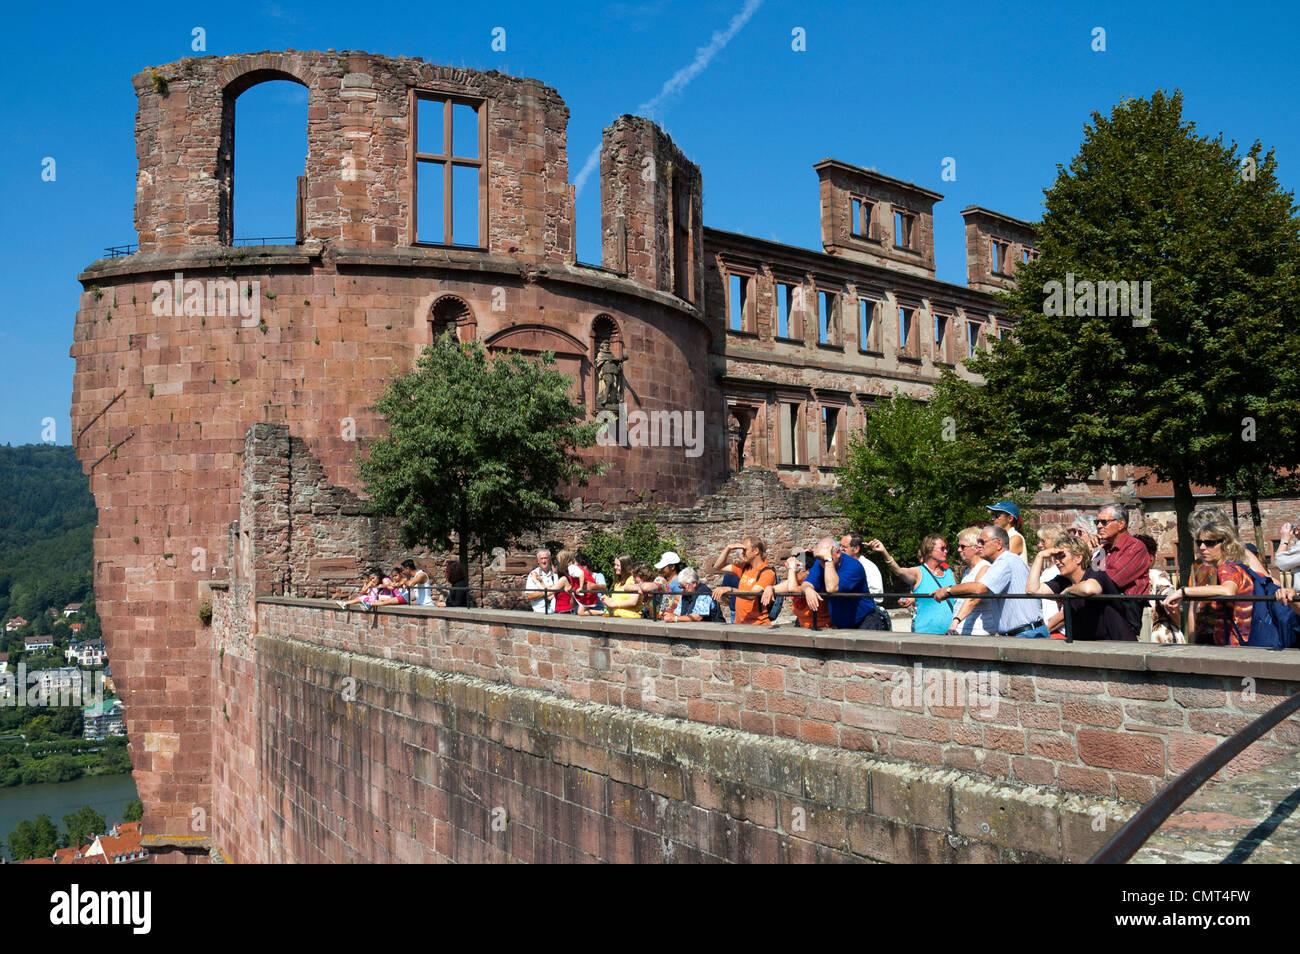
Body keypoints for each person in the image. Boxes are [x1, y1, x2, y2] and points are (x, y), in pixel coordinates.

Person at [932, 526, 1048, 639]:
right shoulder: (1005, 561)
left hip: (1026, 634)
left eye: (982, 542)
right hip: (1022, 633)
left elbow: (980, 589)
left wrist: (947, 590)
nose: (978, 546)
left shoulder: (1005, 561)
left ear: (998, 544)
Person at [1162, 511, 1256, 646]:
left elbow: (1228, 590)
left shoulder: (1229, 567)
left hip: (1230, 638)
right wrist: (1192, 643)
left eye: (1209, 543)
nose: (1202, 547)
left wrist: (1183, 592)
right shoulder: (1199, 565)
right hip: (1215, 635)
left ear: (1225, 543)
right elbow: (1194, 608)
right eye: (1199, 542)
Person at [1028, 536, 1134, 640]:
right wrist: (1040, 556)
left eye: (1062, 556)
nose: (1057, 561)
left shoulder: (1095, 572)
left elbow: (1090, 589)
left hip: (1116, 643)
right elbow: (1032, 589)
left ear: (1078, 558)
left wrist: (1068, 591)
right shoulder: (1062, 581)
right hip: (1087, 646)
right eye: (1055, 557)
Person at [868, 535, 956, 635]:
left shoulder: (950, 574)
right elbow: (899, 571)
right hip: (925, 635)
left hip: (950, 634)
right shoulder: (918, 573)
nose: (946, 551)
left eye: (946, 548)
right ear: (930, 550)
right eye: (942, 548)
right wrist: (884, 552)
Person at [1093, 504, 1151, 639]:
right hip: (1104, 616)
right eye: (1097, 522)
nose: (1099, 526)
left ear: (1121, 524)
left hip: (1127, 617)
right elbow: (1093, 575)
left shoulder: (1135, 547)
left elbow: (1110, 580)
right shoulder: (1103, 550)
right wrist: (1094, 550)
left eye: (1104, 522)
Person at [789, 537, 874, 629]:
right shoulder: (820, 563)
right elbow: (806, 584)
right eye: (819, 558)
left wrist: (828, 559)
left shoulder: (853, 566)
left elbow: (832, 588)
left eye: (823, 558)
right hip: (842, 625)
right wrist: (808, 589)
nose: (821, 561)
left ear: (838, 553)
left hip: (864, 622)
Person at [711, 538, 778, 626]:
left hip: (758, 625)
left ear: (756, 551)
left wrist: (730, 589)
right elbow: (718, 566)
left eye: (745, 550)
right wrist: (728, 548)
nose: (742, 553)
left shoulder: (767, 573)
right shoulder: (744, 568)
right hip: (740, 624)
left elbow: (752, 595)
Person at [947, 527, 996, 636]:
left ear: (976, 548)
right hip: (966, 632)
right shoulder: (968, 570)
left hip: (979, 633)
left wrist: (954, 623)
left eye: (963, 546)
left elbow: (973, 599)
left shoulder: (985, 568)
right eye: (958, 546)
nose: (959, 550)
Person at [767, 550, 832, 630]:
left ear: (808, 572)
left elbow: (792, 589)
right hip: (804, 630)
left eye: (797, 570)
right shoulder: (796, 582)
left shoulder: (815, 583)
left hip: (823, 630)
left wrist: (791, 568)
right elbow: (776, 588)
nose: (794, 573)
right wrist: (769, 588)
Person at [1135, 534, 1182, 643]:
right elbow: (1172, 603)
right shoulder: (1156, 575)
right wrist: (1177, 623)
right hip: (1161, 637)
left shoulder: (1124, 577)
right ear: (1151, 557)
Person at [841, 533, 890, 630]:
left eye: (844, 547)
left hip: (866, 619)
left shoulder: (869, 567)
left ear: (856, 549)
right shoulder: (840, 566)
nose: (840, 549)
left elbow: (877, 595)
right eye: (840, 546)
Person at [1032, 524, 1067, 638]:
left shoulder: (1060, 570)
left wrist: (1047, 629)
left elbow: (1065, 610)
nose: (1039, 545)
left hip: (1057, 631)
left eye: (1043, 541)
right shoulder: (1048, 570)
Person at [601, 554, 642, 619]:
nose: (615, 567)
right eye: (615, 565)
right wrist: (607, 600)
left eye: (618, 565)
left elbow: (633, 602)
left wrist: (612, 604)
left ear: (625, 566)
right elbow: (618, 600)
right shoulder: (618, 582)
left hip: (630, 618)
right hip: (617, 617)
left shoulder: (633, 579)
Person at [524, 549, 561, 613]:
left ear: (549, 559)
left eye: (545, 558)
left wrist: (546, 591)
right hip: (540, 611)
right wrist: (546, 592)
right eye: (541, 558)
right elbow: (530, 596)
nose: (543, 561)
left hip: (556, 611)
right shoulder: (534, 574)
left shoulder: (556, 572)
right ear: (538, 561)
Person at [572, 551, 604, 616]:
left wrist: (593, 586)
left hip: (596, 610)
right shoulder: (576, 580)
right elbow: (572, 604)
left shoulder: (598, 576)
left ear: (584, 567)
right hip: (579, 613)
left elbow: (604, 587)